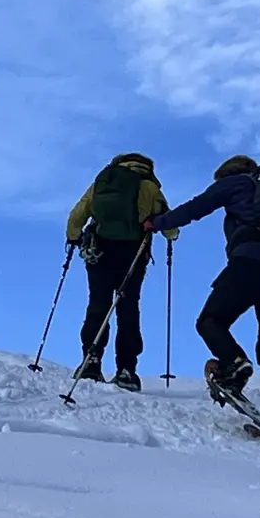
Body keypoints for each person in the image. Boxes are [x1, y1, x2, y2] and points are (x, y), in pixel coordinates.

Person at [147, 151, 260, 438]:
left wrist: (157, 223)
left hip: (250, 263)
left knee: (210, 320)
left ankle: (233, 363)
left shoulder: (237, 182)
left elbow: (198, 206)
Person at [65, 153, 177, 390]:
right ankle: (127, 370)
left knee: (98, 303)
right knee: (127, 307)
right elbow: (170, 225)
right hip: (133, 254)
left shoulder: (101, 182)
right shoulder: (148, 186)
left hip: (99, 251)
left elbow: (77, 215)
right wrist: (171, 235)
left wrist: (73, 237)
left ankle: (90, 361)